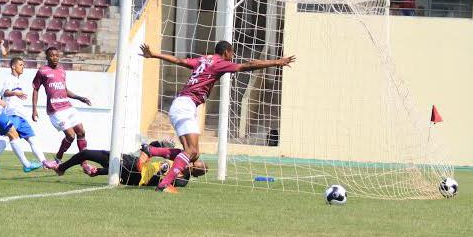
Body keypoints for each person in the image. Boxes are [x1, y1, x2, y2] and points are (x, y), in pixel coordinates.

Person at [139, 41, 296, 193]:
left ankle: (152, 150)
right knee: (192, 151)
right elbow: (247, 65)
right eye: (232, 52)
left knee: (194, 153)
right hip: (185, 106)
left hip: (182, 104)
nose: (233, 55)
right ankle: (163, 184)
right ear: (226, 52)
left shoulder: (203, 59)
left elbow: (180, 60)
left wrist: (154, 55)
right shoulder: (219, 62)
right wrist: (277, 62)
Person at [54, 141, 207, 188]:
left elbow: (155, 181)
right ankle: (61, 168)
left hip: (134, 177)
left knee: (118, 169)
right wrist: (157, 145)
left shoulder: (180, 181)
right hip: (132, 162)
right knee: (86, 153)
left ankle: (96, 172)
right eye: (191, 162)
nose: (188, 164)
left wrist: (100, 172)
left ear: (194, 173)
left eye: (193, 168)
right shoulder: (180, 158)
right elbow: (157, 150)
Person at [32, 47, 92, 165]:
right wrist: (34, 110)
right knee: (71, 135)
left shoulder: (62, 71)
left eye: (57, 55)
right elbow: (35, 90)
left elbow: (64, 90)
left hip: (67, 106)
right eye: (52, 55)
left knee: (81, 132)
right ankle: (59, 158)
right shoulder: (42, 71)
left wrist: (79, 98)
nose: (55, 58)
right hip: (55, 110)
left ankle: (84, 163)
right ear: (47, 57)